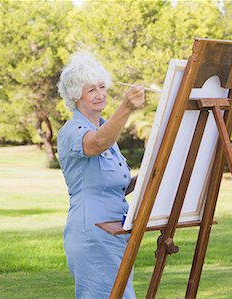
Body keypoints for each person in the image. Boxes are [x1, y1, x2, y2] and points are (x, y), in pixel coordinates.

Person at [56, 52, 145, 298]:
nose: (100, 94)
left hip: (116, 231)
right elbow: (97, 144)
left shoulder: (105, 130)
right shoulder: (73, 131)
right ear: (76, 96)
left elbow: (118, 186)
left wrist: (150, 174)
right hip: (92, 233)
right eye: (91, 90)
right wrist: (126, 106)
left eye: (102, 87)